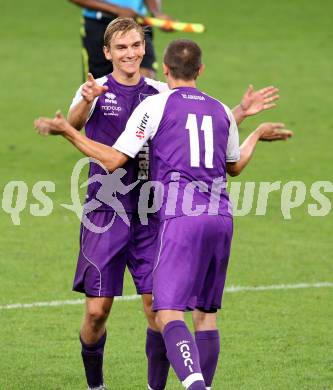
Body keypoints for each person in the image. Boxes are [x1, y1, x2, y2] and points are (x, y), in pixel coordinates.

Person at [35, 37, 292, 389]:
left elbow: (120, 155)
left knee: (162, 311)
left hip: (159, 216)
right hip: (130, 214)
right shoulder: (102, 89)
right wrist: (249, 122)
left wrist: (64, 131)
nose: (130, 53)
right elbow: (218, 148)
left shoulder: (157, 98)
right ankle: (101, 385)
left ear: (163, 67)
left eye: (136, 45)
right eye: (122, 46)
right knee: (116, 313)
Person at [69, 0, 171, 79]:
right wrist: (117, 10)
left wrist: (156, 12)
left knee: (146, 77)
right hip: (99, 24)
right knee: (98, 85)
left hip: (136, 21)